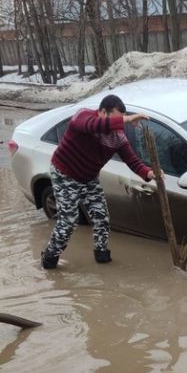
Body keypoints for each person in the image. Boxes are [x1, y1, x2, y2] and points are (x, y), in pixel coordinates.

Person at [41, 94, 156, 270]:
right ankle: (49, 258)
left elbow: (132, 160)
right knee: (69, 221)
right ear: (102, 112)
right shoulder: (83, 117)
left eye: (120, 119)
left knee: (102, 218)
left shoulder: (117, 137)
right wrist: (126, 119)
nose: (118, 125)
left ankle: (102, 256)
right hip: (65, 174)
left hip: (88, 178)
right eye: (115, 118)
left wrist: (149, 173)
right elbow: (94, 126)